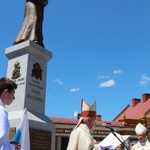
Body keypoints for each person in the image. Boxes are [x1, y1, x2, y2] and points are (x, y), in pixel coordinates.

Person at [0, 77, 20, 150]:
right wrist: (14, 148)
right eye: (13, 94)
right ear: (6, 92)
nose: (14, 98)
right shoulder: (2, 111)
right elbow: (1, 144)